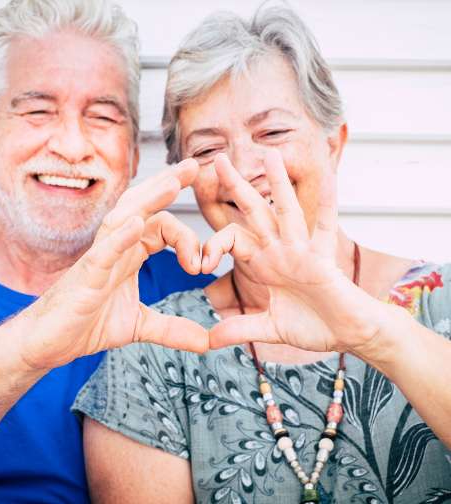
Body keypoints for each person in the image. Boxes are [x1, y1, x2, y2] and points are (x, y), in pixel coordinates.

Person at [74, 3, 451, 503]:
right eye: (208, 149)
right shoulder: (155, 349)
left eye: (272, 132)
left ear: (333, 144)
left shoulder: (441, 303)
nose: (243, 168)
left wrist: (370, 329)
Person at [0, 0, 214, 501]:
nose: (72, 146)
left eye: (102, 116)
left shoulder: (196, 304)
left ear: (134, 153)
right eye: (38, 110)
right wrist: (31, 339)